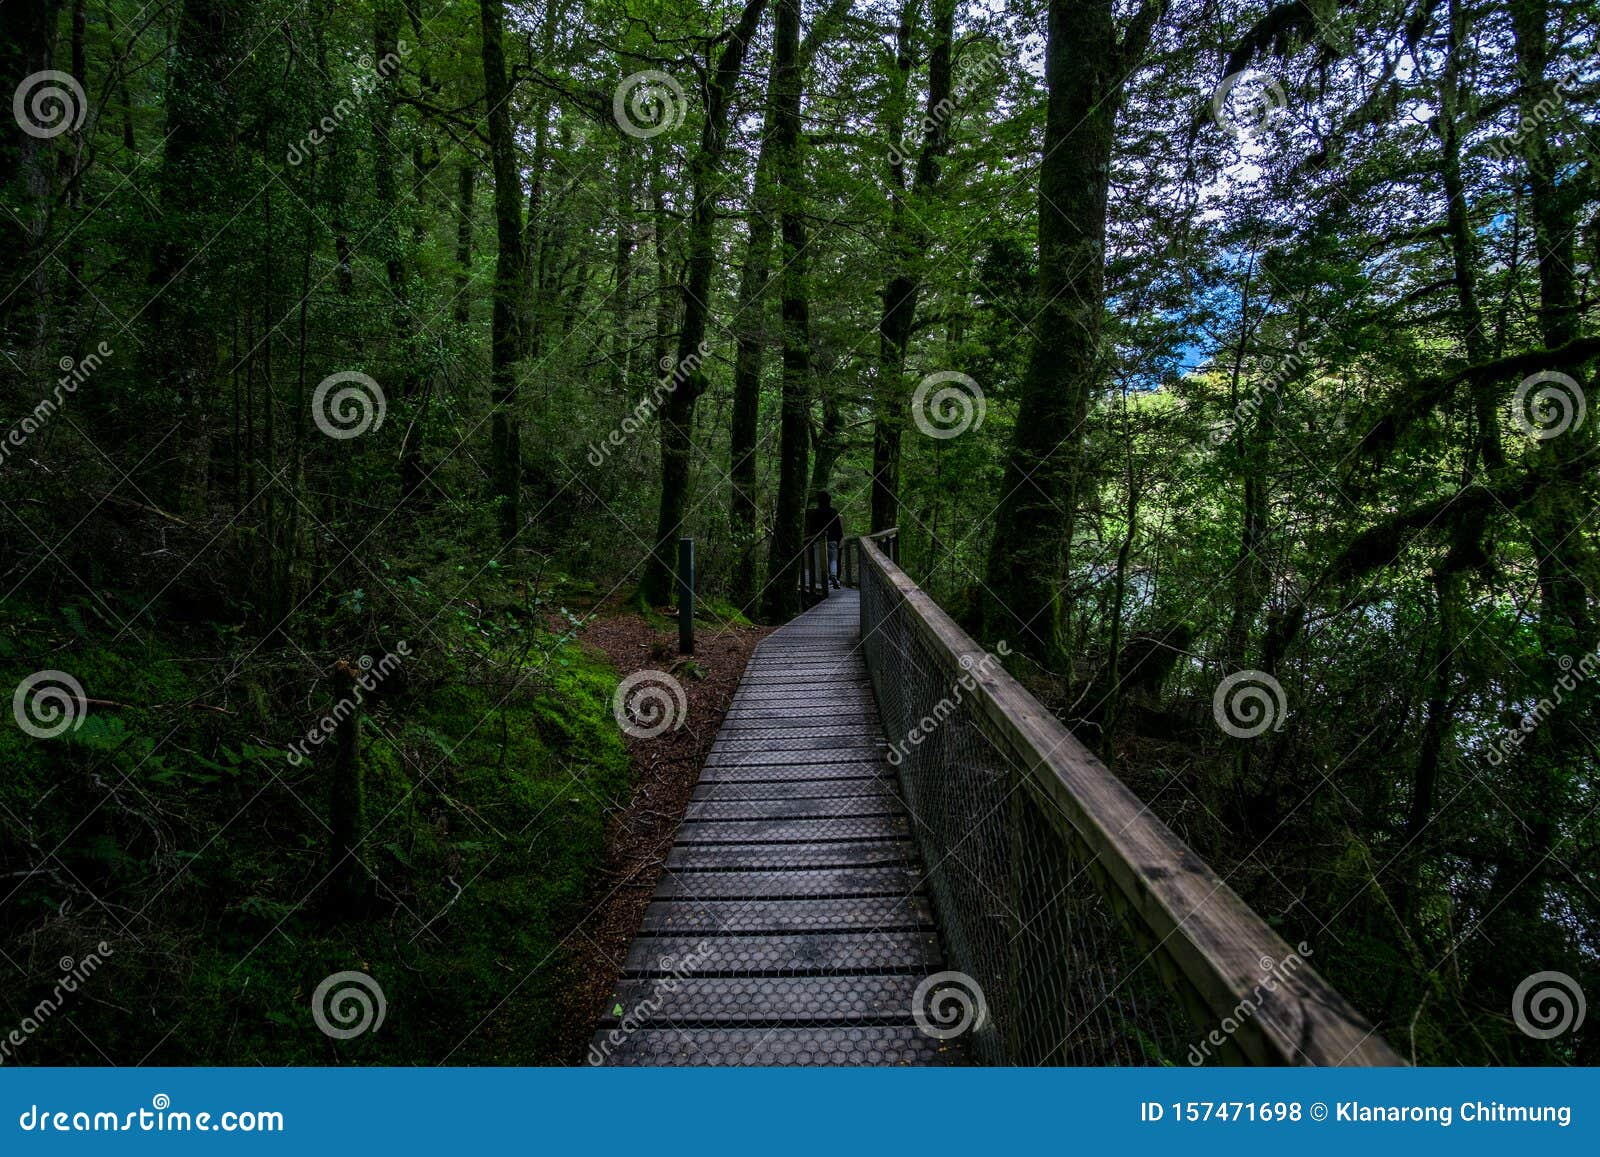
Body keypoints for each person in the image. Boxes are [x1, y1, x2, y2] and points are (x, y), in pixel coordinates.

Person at [808, 491, 844, 589]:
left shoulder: (815, 513)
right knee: (833, 560)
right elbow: (838, 527)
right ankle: (833, 577)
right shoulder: (833, 511)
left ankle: (824, 581)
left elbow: (811, 529)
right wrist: (839, 538)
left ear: (819, 501)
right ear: (829, 500)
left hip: (819, 541)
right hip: (832, 540)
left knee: (821, 561)